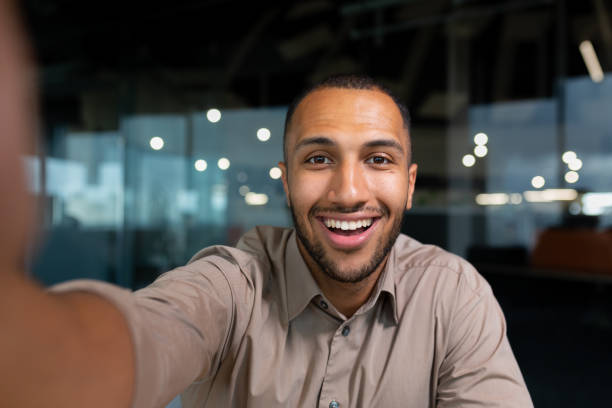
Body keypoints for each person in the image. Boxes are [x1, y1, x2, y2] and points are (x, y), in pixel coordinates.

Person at [0, 3, 532, 407]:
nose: (348, 192)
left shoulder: (453, 293)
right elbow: (151, 332)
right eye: (319, 159)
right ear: (285, 181)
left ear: (410, 185)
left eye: (378, 159)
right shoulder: (233, 286)